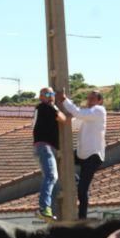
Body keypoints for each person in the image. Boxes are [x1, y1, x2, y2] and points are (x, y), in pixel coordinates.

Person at [57, 89, 106, 219]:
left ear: (100, 101)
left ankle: (82, 218)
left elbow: (77, 113)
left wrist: (64, 100)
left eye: (92, 99)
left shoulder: (99, 111)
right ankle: (77, 180)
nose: (89, 101)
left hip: (93, 156)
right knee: (62, 160)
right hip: (81, 154)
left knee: (82, 190)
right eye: (88, 99)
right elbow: (71, 123)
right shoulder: (86, 116)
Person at [33, 87, 66, 221]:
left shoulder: (45, 108)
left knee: (53, 179)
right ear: (41, 97)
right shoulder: (44, 107)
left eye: (51, 93)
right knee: (51, 176)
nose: (50, 96)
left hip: (45, 147)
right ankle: (44, 208)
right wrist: (60, 102)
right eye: (47, 94)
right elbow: (63, 119)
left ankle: (48, 209)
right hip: (45, 147)